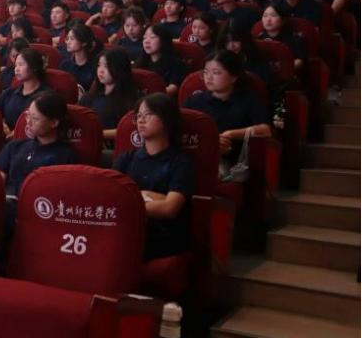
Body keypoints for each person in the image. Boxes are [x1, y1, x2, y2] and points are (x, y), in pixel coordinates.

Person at [114, 93, 194, 261]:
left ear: (166, 119)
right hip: (129, 225)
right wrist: (151, 197)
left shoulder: (181, 162)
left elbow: (169, 208)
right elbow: (111, 199)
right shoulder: (126, 159)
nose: (141, 120)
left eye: (148, 114)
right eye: (138, 116)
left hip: (164, 234)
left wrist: (131, 201)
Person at [0, 91, 79, 227]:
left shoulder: (66, 156)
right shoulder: (15, 146)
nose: (28, 121)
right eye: (28, 115)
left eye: (35, 118)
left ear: (54, 122)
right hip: (5, 205)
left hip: (38, 212)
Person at [183, 51, 272, 159]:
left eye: (216, 73)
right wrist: (211, 142)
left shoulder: (248, 100)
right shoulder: (194, 101)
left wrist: (230, 134)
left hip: (234, 161)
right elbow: (178, 131)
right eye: (205, 72)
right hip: (198, 157)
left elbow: (265, 130)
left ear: (233, 77)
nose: (209, 77)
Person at [79, 48, 140, 138]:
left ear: (120, 68)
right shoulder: (88, 97)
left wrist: (98, 135)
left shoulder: (131, 100)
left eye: (106, 66)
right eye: (99, 65)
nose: (101, 70)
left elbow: (130, 129)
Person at [0, 48, 51, 132]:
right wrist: (1, 125)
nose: (16, 69)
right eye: (16, 65)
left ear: (34, 67)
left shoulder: (47, 96)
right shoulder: (10, 93)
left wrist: (18, 132)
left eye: (21, 64)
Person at [139, 25, 188, 95]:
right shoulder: (140, 63)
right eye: (144, 38)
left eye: (152, 37)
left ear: (163, 40)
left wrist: (150, 94)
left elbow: (173, 88)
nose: (146, 41)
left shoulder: (176, 64)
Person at [60, 24, 101, 93]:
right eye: (67, 39)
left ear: (84, 42)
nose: (68, 42)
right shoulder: (65, 65)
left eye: (72, 39)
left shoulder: (95, 68)